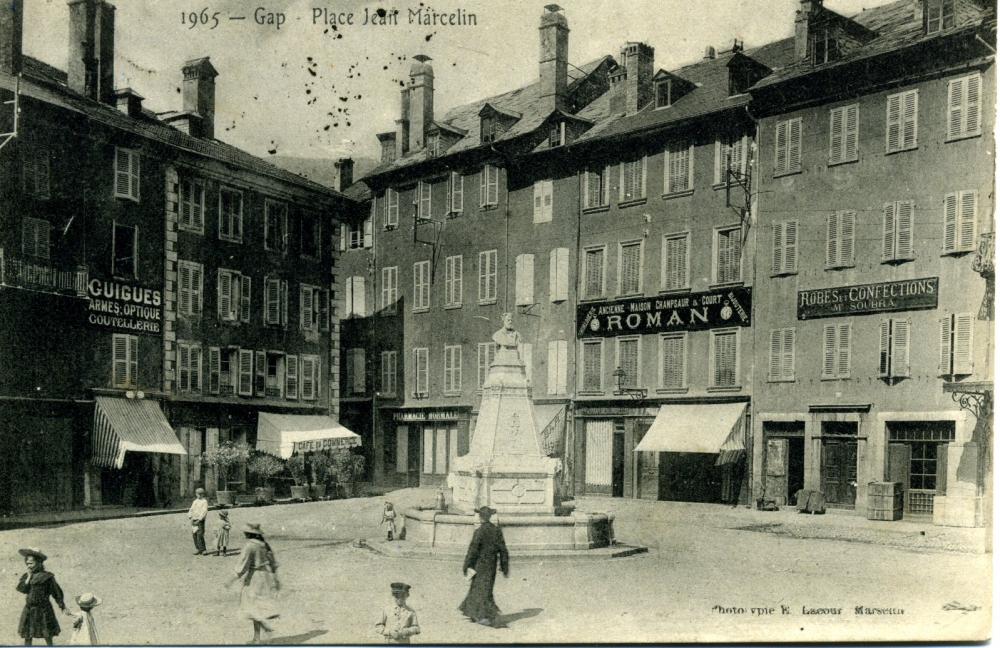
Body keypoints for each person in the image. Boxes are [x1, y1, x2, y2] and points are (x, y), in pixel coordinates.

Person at [458, 506, 509, 627]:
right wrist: (504, 565)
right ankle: (472, 611)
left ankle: (483, 616)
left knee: (479, 588)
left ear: (481, 517)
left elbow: (473, 550)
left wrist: (467, 565)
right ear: (489, 517)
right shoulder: (497, 530)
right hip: (491, 564)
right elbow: (503, 550)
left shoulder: (479, 531)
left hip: (480, 564)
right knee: (485, 588)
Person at [234, 523, 280, 644]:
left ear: (249, 533)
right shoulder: (264, 545)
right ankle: (257, 638)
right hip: (265, 577)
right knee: (257, 606)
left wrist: (234, 577)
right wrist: (275, 579)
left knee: (251, 605)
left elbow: (244, 564)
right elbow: (273, 563)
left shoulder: (250, 546)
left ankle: (264, 629)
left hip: (254, 578)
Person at [16, 548, 73, 646]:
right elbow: (22, 589)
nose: (28, 566)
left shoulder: (47, 577)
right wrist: (29, 577)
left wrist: (62, 606)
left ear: (39, 563)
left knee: (47, 635)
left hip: (44, 610)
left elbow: (56, 592)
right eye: (27, 563)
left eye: (31, 563)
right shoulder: (27, 576)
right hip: (29, 609)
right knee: (27, 635)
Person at [187, 487, 209, 555]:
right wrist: (190, 516)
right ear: (196, 494)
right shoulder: (195, 501)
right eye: (198, 494)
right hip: (194, 519)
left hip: (200, 521)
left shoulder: (204, 501)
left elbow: (204, 511)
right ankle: (197, 548)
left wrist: (199, 519)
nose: (199, 495)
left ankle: (203, 549)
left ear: (203, 494)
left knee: (200, 535)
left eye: (201, 494)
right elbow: (191, 509)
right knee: (194, 535)